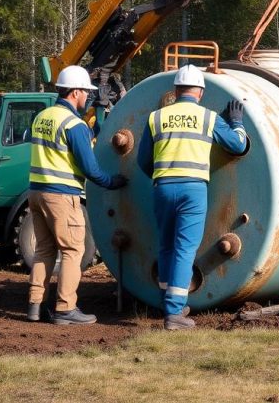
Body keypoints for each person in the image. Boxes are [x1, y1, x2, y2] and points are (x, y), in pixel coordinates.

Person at [137, 64, 248, 330]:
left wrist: (163, 175)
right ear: (200, 92)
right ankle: (174, 314)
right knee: (185, 248)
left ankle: (167, 301)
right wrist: (237, 123)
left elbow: (142, 160)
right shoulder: (207, 118)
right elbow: (238, 145)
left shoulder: (156, 118)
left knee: (165, 244)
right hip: (193, 189)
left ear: (176, 90)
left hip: (163, 186)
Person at [27, 65, 127, 325]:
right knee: (73, 250)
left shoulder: (42, 117)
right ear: (75, 92)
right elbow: (90, 169)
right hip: (62, 196)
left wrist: (100, 114)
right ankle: (65, 308)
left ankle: (35, 306)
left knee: (44, 251)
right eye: (86, 92)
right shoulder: (73, 124)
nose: (88, 97)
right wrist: (113, 182)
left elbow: (76, 141)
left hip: (37, 193)